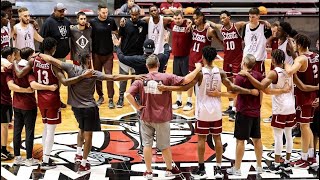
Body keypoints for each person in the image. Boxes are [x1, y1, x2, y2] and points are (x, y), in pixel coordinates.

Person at [36, 51, 144, 172]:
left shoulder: (71, 68)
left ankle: (78, 153)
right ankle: (83, 163)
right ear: (88, 61)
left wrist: (39, 54)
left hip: (75, 107)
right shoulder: (92, 73)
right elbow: (113, 77)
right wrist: (133, 76)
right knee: (89, 136)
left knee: (81, 128)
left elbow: (51, 60)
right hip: (89, 108)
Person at [13, 37, 92, 170]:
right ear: (53, 48)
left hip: (40, 99)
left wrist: (15, 62)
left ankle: (45, 155)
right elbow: (65, 82)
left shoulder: (33, 60)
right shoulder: (54, 64)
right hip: (52, 99)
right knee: (50, 130)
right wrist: (81, 77)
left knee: (46, 127)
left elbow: (20, 74)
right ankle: (46, 160)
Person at [239, 49, 319, 172]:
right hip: (291, 107)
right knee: (288, 135)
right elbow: (302, 87)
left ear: (273, 60)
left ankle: (276, 162)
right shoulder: (291, 72)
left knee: (278, 137)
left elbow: (261, 87)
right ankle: (287, 160)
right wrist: (317, 87)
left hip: (280, 108)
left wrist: (248, 75)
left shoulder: (273, 73)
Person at [125, 56, 202, 179]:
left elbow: (127, 94)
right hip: (162, 118)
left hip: (146, 117)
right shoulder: (167, 77)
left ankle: (149, 171)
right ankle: (169, 169)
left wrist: (138, 107)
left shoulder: (141, 79)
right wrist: (197, 69)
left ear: (146, 66)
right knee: (165, 146)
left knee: (147, 145)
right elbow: (187, 79)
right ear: (159, 64)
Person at [227, 54, 264, 176]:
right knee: (257, 140)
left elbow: (234, 93)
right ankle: (259, 166)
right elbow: (261, 93)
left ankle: (237, 168)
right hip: (255, 112)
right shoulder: (258, 75)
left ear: (244, 62)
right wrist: (259, 106)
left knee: (240, 141)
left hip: (243, 112)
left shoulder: (240, 77)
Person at [285, 34, 319, 169]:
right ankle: (311, 156)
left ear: (299, 44)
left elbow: (290, 71)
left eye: (294, 43)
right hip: (313, 95)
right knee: (308, 127)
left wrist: (286, 64)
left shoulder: (301, 58)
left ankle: (304, 158)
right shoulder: (316, 56)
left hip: (304, 96)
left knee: (305, 127)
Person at [7, 47, 43, 166]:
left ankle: (17, 157)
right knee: (29, 132)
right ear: (29, 56)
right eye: (33, 55)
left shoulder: (14, 66)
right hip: (29, 105)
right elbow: (33, 86)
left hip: (16, 104)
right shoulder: (30, 68)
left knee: (17, 131)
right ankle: (28, 159)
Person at [184, 8, 221, 111]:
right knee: (190, 80)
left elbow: (219, 40)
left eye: (196, 19)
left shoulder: (209, 30)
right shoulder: (193, 27)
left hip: (203, 60)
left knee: (202, 82)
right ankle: (189, 101)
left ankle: (203, 101)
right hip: (192, 57)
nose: (194, 20)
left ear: (201, 18)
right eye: (193, 19)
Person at [40, 3, 72, 108]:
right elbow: (42, 40)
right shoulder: (48, 22)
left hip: (62, 57)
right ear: (55, 10)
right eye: (60, 11)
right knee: (53, 80)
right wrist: (43, 56)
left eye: (63, 11)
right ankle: (51, 101)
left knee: (59, 81)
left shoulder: (66, 21)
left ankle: (56, 99)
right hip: (52, 58)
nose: (62, 13)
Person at [117, 6, 148, 108]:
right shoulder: (125, 23)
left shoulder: (143, 24)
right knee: (123, 77)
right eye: (132, 14)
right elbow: (119, 36)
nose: (134, 16)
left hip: (137, 56)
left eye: (136, 14)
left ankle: (135, 95)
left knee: (136, 78)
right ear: (129, 14)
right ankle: (121, 97)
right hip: (125, 55)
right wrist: (121, 26)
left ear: (139, 14)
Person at [90, 3, 118, 108]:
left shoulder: (111, 21)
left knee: (109, 76)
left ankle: (111, 98)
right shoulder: (92, 22)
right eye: (103, 12)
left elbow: (116, 31)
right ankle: (100, 96)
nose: (105, 14)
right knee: (98, 76)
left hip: (108, 54)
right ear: (98, 12)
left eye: (106, 12)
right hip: (96, 54)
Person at [168, 10, 192, 110]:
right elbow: (165, 19)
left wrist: (189, 21)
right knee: (177, 79)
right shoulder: (172, 24)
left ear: (183, 18)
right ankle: (179, 100)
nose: (177, 20)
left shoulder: (188, 24)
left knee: (188, 79)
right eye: (175, 18)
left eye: (179, 18)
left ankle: (189, 101)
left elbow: (197, 21)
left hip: (186, 56)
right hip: (176, 56)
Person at [243, 7, 271, 77]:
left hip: (258, 59)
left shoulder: (264, 27)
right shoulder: (245, 27)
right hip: (247, 59)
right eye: (249, 17)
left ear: (258, 16)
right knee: (246, 81)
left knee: (259, 80)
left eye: (253, 17)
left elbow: (270, 36)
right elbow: (244, 42)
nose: (250, 19)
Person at [1, 47, 15, 161]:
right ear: (9, 56)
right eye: (14, 55)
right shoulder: (9, 68)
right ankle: (3, 151)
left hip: (4, 100)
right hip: (3, 101)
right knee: (4, 126)